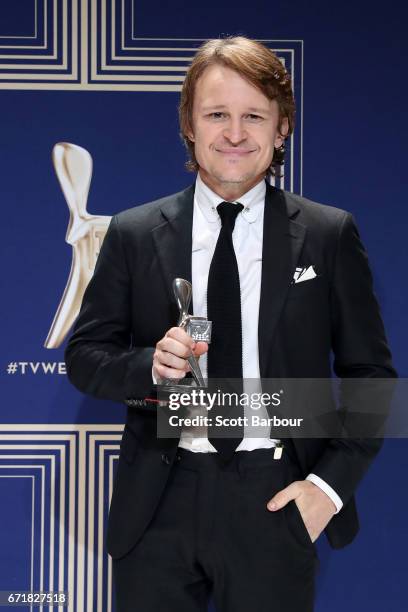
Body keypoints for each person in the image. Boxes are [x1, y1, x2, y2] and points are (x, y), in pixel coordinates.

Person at [65, 36, 396, 612]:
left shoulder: (328, 234)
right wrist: (150, 366)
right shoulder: (135, 232)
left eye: (254, 116)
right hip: (159, 503)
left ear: (282, 127)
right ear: (189, 125)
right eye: (217, 114)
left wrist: (325, 489)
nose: (235, 133)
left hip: (275, 499)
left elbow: (372, 375)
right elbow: (86, 357)